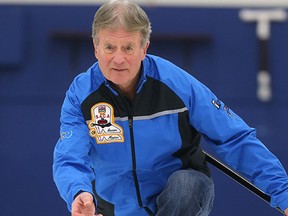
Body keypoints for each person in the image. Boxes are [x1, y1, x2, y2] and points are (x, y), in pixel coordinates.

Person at [52, 0, 288, 215]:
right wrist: (78, 192)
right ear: (96, 48)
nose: (118, 59)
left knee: (185, 187)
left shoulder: (178, 85)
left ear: (144, 48)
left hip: (180, 197)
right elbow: (70, 158)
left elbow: (234, 138)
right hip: (112, 207)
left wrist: (284, 194)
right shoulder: (80, 95)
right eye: (109, 47)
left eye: (128, 48)